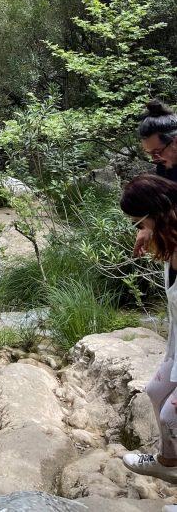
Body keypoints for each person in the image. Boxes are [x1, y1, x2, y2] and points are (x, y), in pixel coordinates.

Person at [119, 173, 177, 512]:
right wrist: (148, 230)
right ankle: (169, 463)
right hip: (176, 343)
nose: (137, 229)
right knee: (156, 394)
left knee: (172, 417)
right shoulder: (169, 238)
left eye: (138, 221)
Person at [133, 101, 177, 259]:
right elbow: (163, 202)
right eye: (150, 154)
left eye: (157, 152)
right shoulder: (164, 164)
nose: (155, 159)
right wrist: (147, 227)